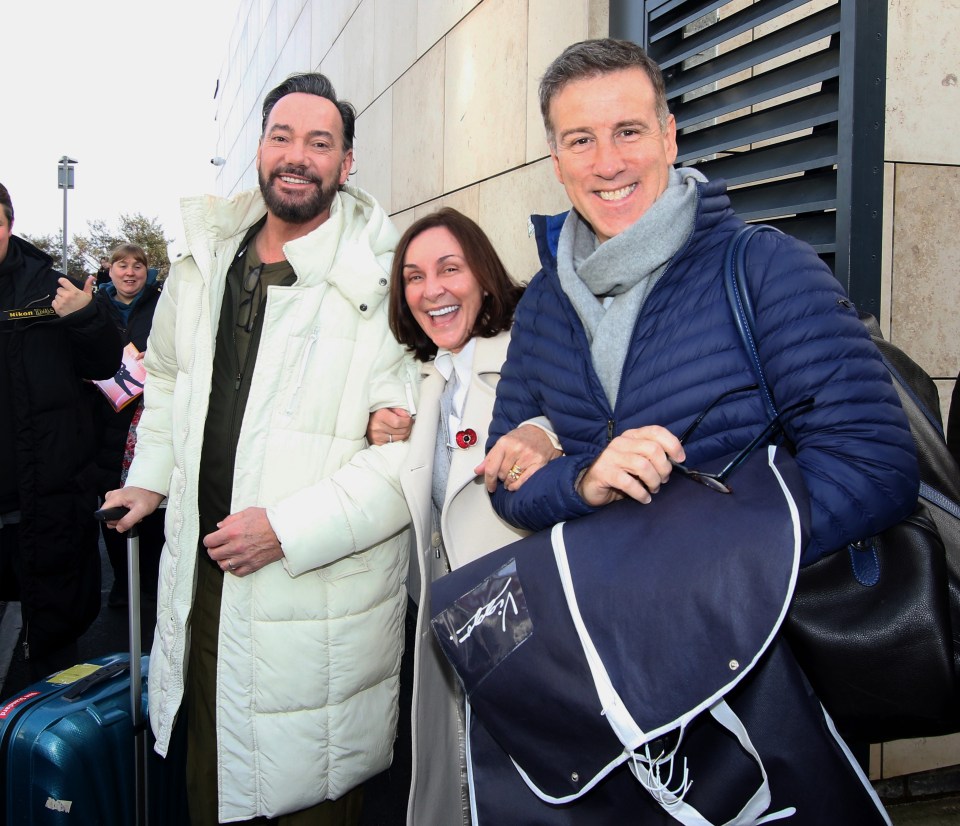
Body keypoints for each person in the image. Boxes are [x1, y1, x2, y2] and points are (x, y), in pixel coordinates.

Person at [482, 38, 919, 818]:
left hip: (763, 670)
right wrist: (578, 478)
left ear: (671, 137)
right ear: (556, 158)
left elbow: (877, 464)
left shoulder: (761, 267)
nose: (608, 161)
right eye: (581, 139)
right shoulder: (546, 304)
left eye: (629, 131)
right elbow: (508, 480)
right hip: (623, 685)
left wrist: (695, 561)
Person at [102, 73, 415, 824]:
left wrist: (287, 529)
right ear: (259, 149)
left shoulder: (386, 277)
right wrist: (149, 479)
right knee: (208, 785)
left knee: (302, 794)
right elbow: (170, 380)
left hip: (314, 606)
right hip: (201, 591)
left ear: (347, 163)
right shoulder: (206, 258)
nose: (297, 156)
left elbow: (404, 458)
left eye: (320, 142)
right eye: (282, 137)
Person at [380, 208, 561, 826]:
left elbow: (580, 426)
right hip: (450, 618)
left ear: (483, 276)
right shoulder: (428, 377)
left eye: (449, 268)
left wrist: (542, 432)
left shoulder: (529, 355)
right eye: (413, 275)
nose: (431, 290)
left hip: (521, 622)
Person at [0, 182, 122, 687]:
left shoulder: (52, 288)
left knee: (53, 654)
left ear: (7, 223)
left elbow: (107, 363)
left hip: (44, 503)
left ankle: (51, 757)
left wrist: (88, 318)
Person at [91, 243, 163, 611]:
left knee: (149, 503)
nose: (130, 272)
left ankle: (149, 582)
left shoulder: (162, 304)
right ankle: (123, 581)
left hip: (147, 419)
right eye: (122, 265)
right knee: (112, 507)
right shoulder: (95, 306)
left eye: (137, 265)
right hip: (104, 419)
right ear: (112, 269)